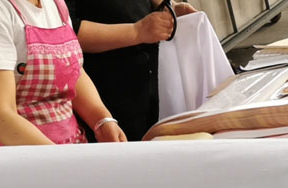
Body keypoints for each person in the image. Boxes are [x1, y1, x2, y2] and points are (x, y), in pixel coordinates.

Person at [0, 0, 126, 149]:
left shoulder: (52, 3)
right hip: (1, 162)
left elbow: (69, 67)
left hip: (62, 152)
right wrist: (66, 164)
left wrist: (102, 120)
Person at [64, 0, 198, 141]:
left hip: (150, 81)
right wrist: (137, 31)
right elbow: (67, 33)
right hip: (108, 92)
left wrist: (167, 7)